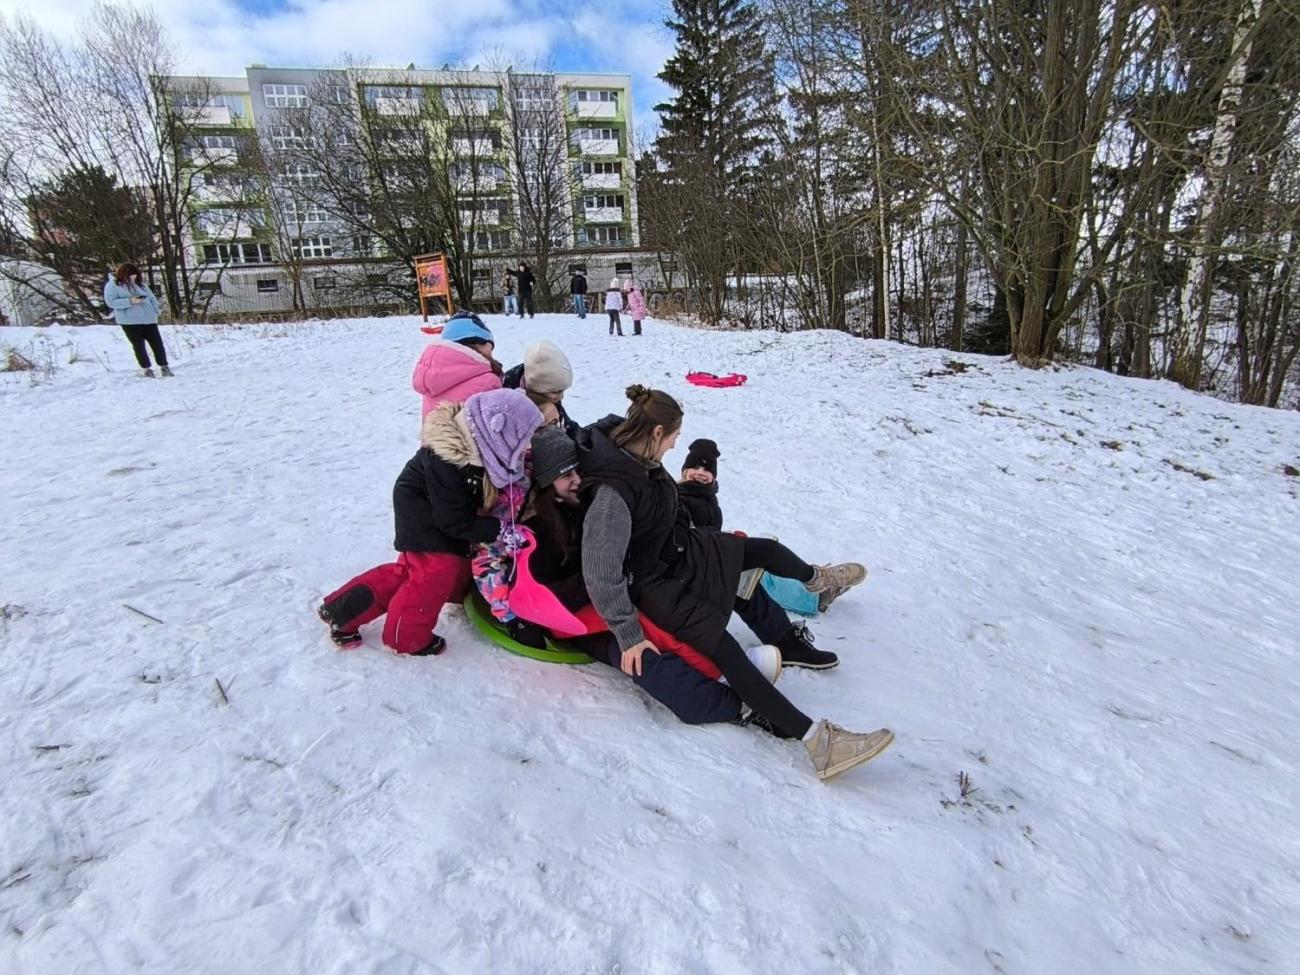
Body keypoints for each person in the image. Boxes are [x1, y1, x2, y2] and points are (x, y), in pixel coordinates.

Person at [576, 385, 892, 781]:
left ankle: (818, 581)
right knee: (728, 652)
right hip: (660, 587)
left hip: (687, 551)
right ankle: (819, 743)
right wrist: (628, 634)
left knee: (765, 550)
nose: (675, 445)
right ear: (656, 433)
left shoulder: (641, 459)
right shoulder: (612, 495)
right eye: (674, 436)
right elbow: (600, 571)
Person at [515, 426, 774, 726]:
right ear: (547, 482)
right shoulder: (540, 531)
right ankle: (729, 706)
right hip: (577, 621)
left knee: (673, 607)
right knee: (640, 656)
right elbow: (546, 596)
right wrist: (601, 577)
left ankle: (737, 666)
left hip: (614, 595)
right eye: (565, 476)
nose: (576, 480)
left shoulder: (589, 500)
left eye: (577, 470)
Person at [319, 389, 543, 656]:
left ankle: (340, 611)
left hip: (439, 508)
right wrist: (499, 530)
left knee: (410, 572)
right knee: (434, 574)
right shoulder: (448, 461)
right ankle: (406, 638)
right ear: (498, 432)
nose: (527, 447)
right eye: (522, 439)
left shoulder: (480, 444)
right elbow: (454, 521)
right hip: (421, 508)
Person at [678, 438, 841, 666]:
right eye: (694, 467)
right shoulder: (676, 496)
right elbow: (686, 539)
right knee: (766, 553)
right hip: (685, 572)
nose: (700, 473)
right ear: (684, 471)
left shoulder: (709, 502)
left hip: (706, 563)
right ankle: (816, 581)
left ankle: (787, 641)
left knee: (746, 583)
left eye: (707, 470)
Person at [411, 311, 502, 421]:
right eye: (490, 346)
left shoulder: (432, 379)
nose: (491, 352)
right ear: (479, 343)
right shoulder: (488, 381)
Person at [104, 263, 171, 378]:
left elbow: (151, 298)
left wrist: (156, 311)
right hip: (129, 321)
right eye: (130, 277)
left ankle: (164, 366)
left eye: (135, 276)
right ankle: (146, 368)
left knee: (157, 344)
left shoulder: (141, 284)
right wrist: (129, 301)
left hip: (148, 319)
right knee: (139, 345)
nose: (133, 279)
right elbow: (111, 302)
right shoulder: (112, 285)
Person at [501, 339, 579, 437]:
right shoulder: (506, 399)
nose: (561, 397)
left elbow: (567, 425)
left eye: (562, 390)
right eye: (556, 391)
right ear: (537, 387)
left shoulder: (545, 394)